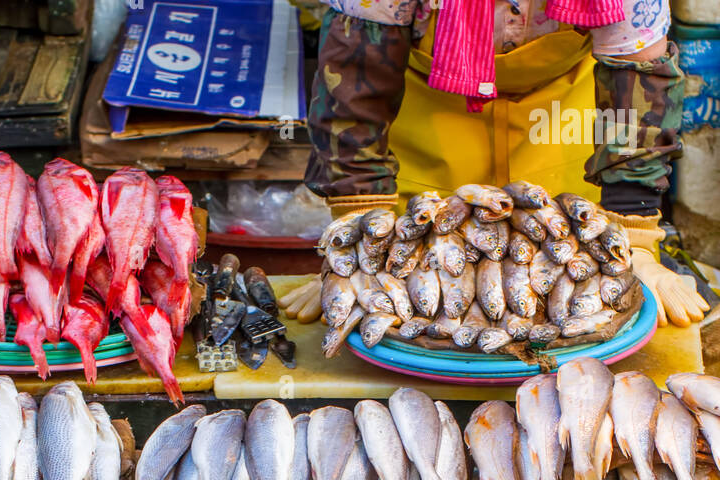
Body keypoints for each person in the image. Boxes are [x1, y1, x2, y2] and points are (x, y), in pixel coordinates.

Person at [291, 0, 707, 327]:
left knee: (563, 286)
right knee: (423, 287)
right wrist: (357, 243)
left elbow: (638, 87)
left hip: (558, 123)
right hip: (428, 116)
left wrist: (633, 242)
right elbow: (352, 92)